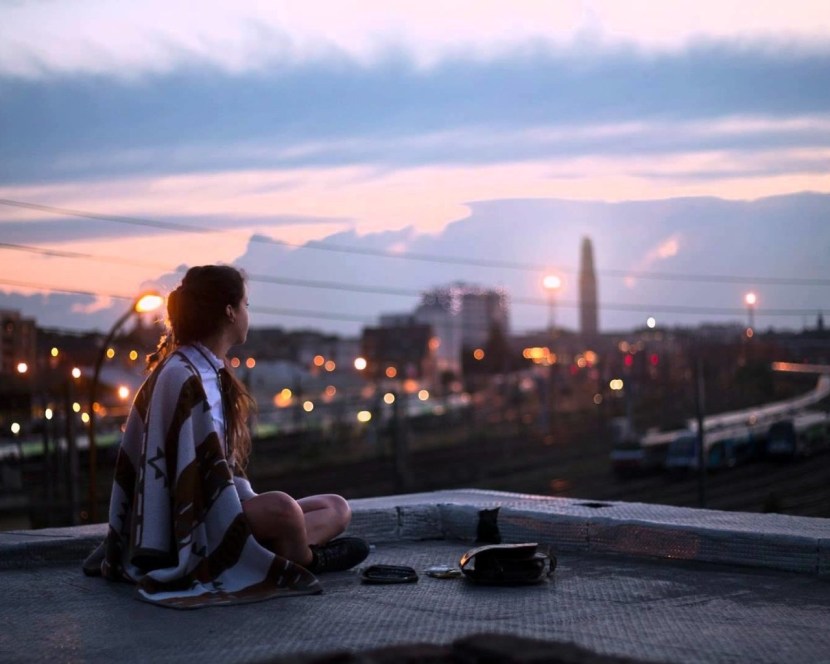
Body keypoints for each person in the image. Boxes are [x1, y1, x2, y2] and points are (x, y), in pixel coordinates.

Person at [84, 265, 369, 608]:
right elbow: (181, 479)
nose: (248, 313)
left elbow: (218, 467)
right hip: (190, 521)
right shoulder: (181, 374)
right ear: (230, 311)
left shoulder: (210, 371)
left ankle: (273, 552)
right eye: (246, 305)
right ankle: (307, 561)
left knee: (336, 507)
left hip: (225, 504)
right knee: (283, 508)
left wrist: (241, 500)